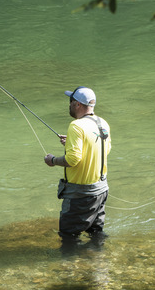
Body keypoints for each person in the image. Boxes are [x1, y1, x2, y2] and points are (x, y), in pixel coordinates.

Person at [44, 86, 111, 254]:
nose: (69, 105)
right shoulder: (103, 123)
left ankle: (70, 267)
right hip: (101, 190)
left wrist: (52, 160)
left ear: (77, 104)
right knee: (95, 232)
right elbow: (105, 149)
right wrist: (72, 143)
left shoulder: (76, 126)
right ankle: (98, 260)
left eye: (70, 101)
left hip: (81, 194)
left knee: (68, 234)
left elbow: (73, 159)